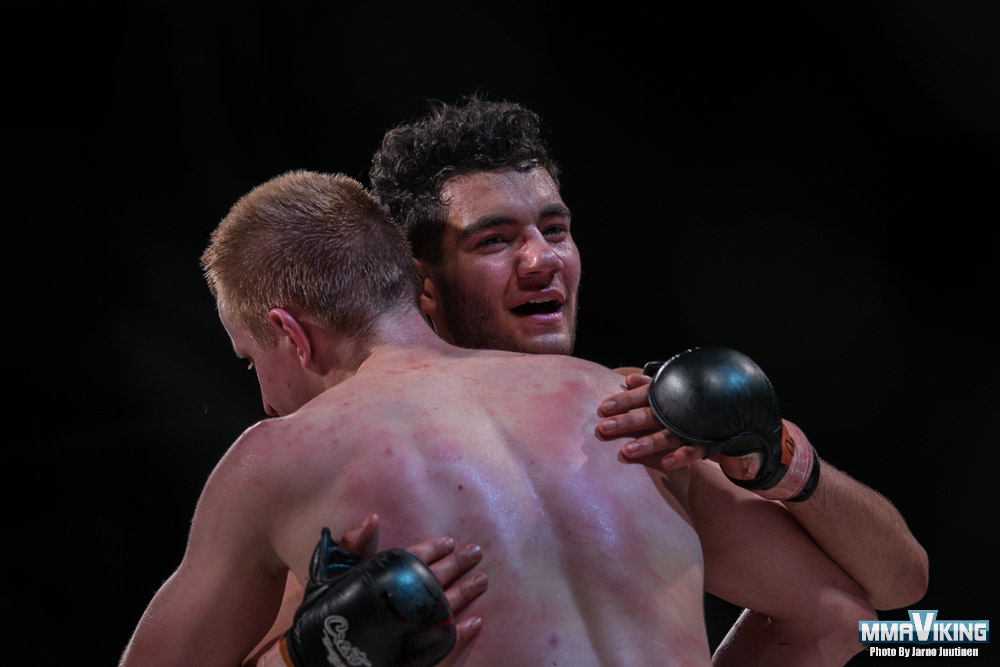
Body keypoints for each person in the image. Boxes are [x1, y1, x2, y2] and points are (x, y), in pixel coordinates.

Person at [119, 170, 874, 666]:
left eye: (250, 361)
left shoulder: (278, 457)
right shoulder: (618, 400)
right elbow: (846, 615)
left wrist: (307, 657)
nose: (263, 396)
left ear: (290, 333)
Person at [367, 95, 929, 655]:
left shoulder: (630, 423)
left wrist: (775, 456)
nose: (543, 260)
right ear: (423, 286)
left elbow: (879, 596)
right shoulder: (365, 451)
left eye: (555, 230)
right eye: (495, 240)